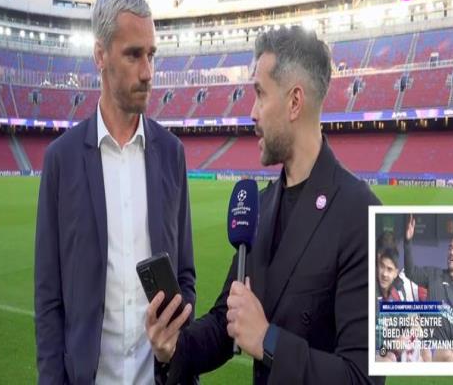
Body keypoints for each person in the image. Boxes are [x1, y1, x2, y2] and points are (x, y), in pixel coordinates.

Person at [146, 26, 383, 384]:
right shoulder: (259, 206)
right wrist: (173, 347)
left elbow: (362, 377)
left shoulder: (362, 215)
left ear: (294, 102)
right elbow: (227, 321)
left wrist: (268, 340)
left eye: (260, 94)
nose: (252, 112)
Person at [34, 0, 196, 384]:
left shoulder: (171, 154)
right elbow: (49, 298)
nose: (148, 72)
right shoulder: (61, 160)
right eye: (133, 55)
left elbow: (185, 275)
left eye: (151, 55)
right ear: (100, 55)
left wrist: (174, 342)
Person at [404, 215, 453, 362]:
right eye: (450, 248)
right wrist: (408, 242)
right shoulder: (434, 275)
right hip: (428, 345)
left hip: (451, 347)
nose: (451, 252)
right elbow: (411, 272)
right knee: (451, 356)